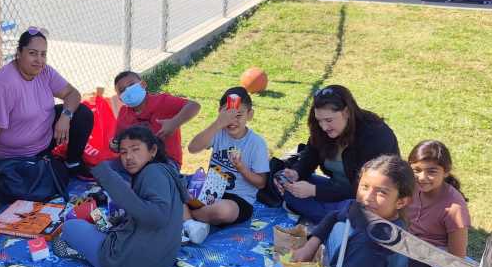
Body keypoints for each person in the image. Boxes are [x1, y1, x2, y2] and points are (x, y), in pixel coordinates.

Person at [58, 126, 189, 267]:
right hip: (161, 263)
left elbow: (156, 217)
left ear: (152, 151)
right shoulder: (164, 171)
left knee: (70, 226)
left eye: (135, 149)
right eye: (124, 152)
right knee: (102, 223)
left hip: (129, 264)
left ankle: (84, 252)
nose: (128, 157)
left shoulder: (152, 172)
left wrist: (110, 180)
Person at [284, 155, 413, 267]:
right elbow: (335, 215)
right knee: (340, 224)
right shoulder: (368, 212)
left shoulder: (375, 247)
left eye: (381, 192)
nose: (368, 198)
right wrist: (310, 246)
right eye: (364, 187)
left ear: (401, 201)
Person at [0, 28, 94, 181]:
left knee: (82, 113)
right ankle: (44, 165)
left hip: (45, 138)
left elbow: (72, 93)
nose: (39, 60)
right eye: (32, 53)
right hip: (18, 153)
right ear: (19, 53)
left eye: (43, 54)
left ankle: (73, 162)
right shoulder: (3, 83)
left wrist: (65, 117)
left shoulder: (45, 71)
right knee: (55, 180)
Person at [272, 85, 399, 224]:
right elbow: (311, 154)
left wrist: (315, 191)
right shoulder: (322, 130)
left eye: (329, 120)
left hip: (366, 198)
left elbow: (363, 189)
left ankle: (330, 218)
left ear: (346, 112)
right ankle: (329, 216)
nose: (324, 127)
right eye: (319, 120)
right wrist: (296, 173)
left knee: (352, 210)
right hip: (334, 187)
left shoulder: (374, 135)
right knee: (289, 188)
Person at [184, 86, 270, 242]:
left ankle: (189, 219)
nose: (232, 121)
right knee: (174, 187)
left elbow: (261, 183)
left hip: (238, 200)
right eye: (227, 115)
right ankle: (193, 221)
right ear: (220, 113)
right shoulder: (218, 132)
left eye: (238, 115)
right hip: (209, 192)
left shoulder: (256, 143)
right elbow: (192, 148)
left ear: (249, 115)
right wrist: (217, 124)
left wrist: (241, 168)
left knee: (224, 211)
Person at [404, 140, 472, 267]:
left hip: (435, 263)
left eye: (431, 171)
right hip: (408, 247)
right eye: (416, 170)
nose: (422, 177)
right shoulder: (411, 188)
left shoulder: (454, 208)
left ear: (446, 172)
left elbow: (457, 257)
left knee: (392, 266)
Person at [112, 70, 201, 167]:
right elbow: (117, 142)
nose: (128, 90)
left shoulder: (162, 101)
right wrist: (114, 144)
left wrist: (174, 123)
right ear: (120, 98)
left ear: (143, 84)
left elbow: (194, 106)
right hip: (134, 161)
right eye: (122, 90)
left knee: (149, 172)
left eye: (131, 85)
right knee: (105, 168)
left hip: (166, 161)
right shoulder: (124, 113)